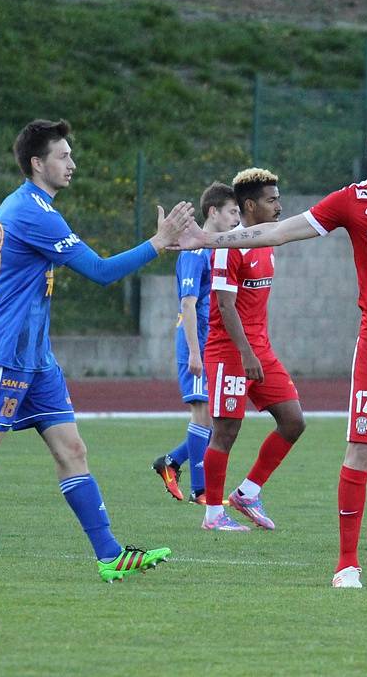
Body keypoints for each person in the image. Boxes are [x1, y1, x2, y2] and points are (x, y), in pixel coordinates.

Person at [178, 110, 367, 587]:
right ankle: (347, 563)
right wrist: (209, 238)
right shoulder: (354, 200)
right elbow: (278, 232)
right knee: (359, 452)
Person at [0, 119, 194, 582]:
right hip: (6, 351)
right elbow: (101, 272)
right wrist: (158, 243)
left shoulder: (22, 207)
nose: (72, 163)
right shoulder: (32, 212)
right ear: (37, 163)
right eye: (63, 156)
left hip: (36, 356)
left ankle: (109, 555)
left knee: (73, 450)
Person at [200, 167, 306, 532]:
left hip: (260, 349)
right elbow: (226, 306)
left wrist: (256, 351)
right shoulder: (228, 246)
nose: (279, 206)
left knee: (293, 421)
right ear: (250, 205)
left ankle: (247, 493)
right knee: (226, 431)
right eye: (271, 200)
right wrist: (245, 354)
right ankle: (213, 515)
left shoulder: (268, 242)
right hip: (230, 352)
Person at [152, 182, 241, 504]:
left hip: (212, 342)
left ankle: (172, 462)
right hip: (197, 342)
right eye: (232, 211)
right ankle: (201, 490)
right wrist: (194, 351)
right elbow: (187, 304)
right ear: (213, 212)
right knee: (202, 414)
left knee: (214, 419)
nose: (236, 218)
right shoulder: (195, 252)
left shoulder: (219, 250)